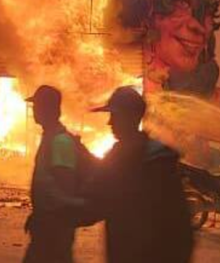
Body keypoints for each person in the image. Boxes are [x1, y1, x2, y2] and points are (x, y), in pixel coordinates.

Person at [83, 86, 194, 263]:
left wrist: (57, 211)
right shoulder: (159, 158)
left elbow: (94, 204)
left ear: (129, 117)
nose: (110, 122)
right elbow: (182, 227)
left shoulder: (122, 157)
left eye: (114, 116)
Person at [23, 85, 89, 263]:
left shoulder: (61, 141)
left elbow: (64, 188)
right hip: (48, 226)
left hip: (54, 229)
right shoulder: (50, 137)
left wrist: (48, 219)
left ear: (48, 108)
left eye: (37, 105)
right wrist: (37, 215)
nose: (34, 109)